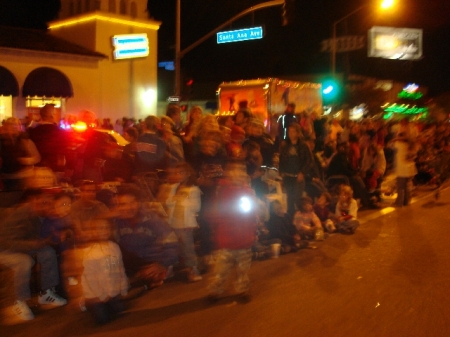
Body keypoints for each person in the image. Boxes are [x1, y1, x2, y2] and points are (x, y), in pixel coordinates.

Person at [0, 189, 67, 322]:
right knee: (24, 262)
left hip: (24, 246)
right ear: (32, 201)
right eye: (42, 202)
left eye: (48, 203)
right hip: (4, 249)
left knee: (48, 252)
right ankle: (18, 303)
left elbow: (55, 230)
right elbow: (6, 242)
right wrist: (36, 244)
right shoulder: (20, 214)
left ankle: (46, 294)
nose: (46, 206)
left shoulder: (42, 214)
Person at [205, 162, 258, 303]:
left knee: (243, 271)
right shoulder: (222, 190)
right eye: (235, 171)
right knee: (220, 270)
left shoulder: (248, 192)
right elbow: (215, 212)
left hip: (244, 239)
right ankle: (214, 291)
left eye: (242, 170)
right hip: (226, 240)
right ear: (229, 174)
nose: (239, 173)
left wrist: (254, 230)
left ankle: (242, 290)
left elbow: (252, 214)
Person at [114, 183, 179, 286]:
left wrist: (162, 264)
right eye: (123, 204)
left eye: (133, 202)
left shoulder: (151, 219)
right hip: (133, 263)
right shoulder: (118, 221)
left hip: (153, 261)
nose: (129, 207)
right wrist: (109, 216)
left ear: (139, 203)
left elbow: (172, 242)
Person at [157, 162, 202, 282]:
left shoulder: (193, 189)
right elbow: (167, 203)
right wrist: (173, 198)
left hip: (185, 224)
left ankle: (193, 270)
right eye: (176, 172)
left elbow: (196, 207)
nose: (178, 175)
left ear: (187, 174)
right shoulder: (173, 187)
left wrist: (182, 200)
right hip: (172, 223)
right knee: (171, 246)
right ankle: (170, 269)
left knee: (187, 248)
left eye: (181, 172)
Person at [81, 218, 128, 325]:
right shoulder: (90, 252)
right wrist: (101, 295)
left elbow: (120, 268)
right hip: (95, 294)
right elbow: (90, 277)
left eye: (107, 228)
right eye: (100, 228)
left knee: (120, 311)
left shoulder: (114, 247)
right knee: (103, 320)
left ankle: (110, 304)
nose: (104, 230)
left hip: (111, 291)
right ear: (94, 231)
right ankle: (87, 303)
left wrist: (123, 288)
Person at [279, 123, 312, 217]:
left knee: (298, 199)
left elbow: (309, 161)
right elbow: (281, 160)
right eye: (289, 131)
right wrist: (281, 173)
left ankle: (299, 219)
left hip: (298, 177)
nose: (291, 134)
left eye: (293, 131)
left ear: (298, 133)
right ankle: (290, 219)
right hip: (288, 176)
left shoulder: (303, 146)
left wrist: (303, 172)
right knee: (289, 199)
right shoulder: (285, 146)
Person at [28, 104, 71, 175]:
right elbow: (66, 150)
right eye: (55, 113)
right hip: (56, 166)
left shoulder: (32, 131)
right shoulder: (61, 132)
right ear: (52, 115)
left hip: (37, 166)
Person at [0, 117, 41, 190]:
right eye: (11, 125)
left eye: (15, 125)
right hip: (7, 176)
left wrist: (25, 160)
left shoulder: (25, 140)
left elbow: (37, 157)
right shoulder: (2, 141)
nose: (13, 127)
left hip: (24, 176)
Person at [391, 132, 418, 207]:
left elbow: (390, 144)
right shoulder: (411, 146)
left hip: (402, 170)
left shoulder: (399, 145)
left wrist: (396, 138)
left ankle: (399, 203)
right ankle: (406, 201)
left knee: (400, 187)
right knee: (407, 186)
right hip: (410, 169)